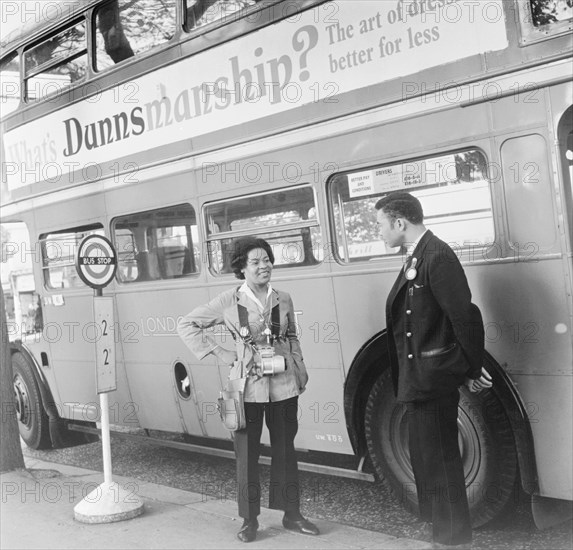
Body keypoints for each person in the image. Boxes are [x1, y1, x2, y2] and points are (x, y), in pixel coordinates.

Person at [177, 236, 319, 543]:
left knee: (286, 450)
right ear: (242, 268)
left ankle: (291, 515)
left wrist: (300, 367)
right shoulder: (228, 301)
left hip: (284, 384)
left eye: (266, 259)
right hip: (246, 389)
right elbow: (187, 324)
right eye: (255, 262)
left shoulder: (283, 297)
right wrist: (223, 354)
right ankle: (249, 520)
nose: (263, 266)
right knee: (247, 455)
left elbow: (292, 335)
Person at [375, 192, 493, 547]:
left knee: (440, 460)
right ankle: (443, 533)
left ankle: (453, 538)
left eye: (380, 224)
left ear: (400, 223)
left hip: (432, 378)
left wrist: (472, 367)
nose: (378, 231)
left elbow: (464, 316)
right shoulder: (419, 253)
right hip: (419, 379)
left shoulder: (437, 255)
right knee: (428, 458)